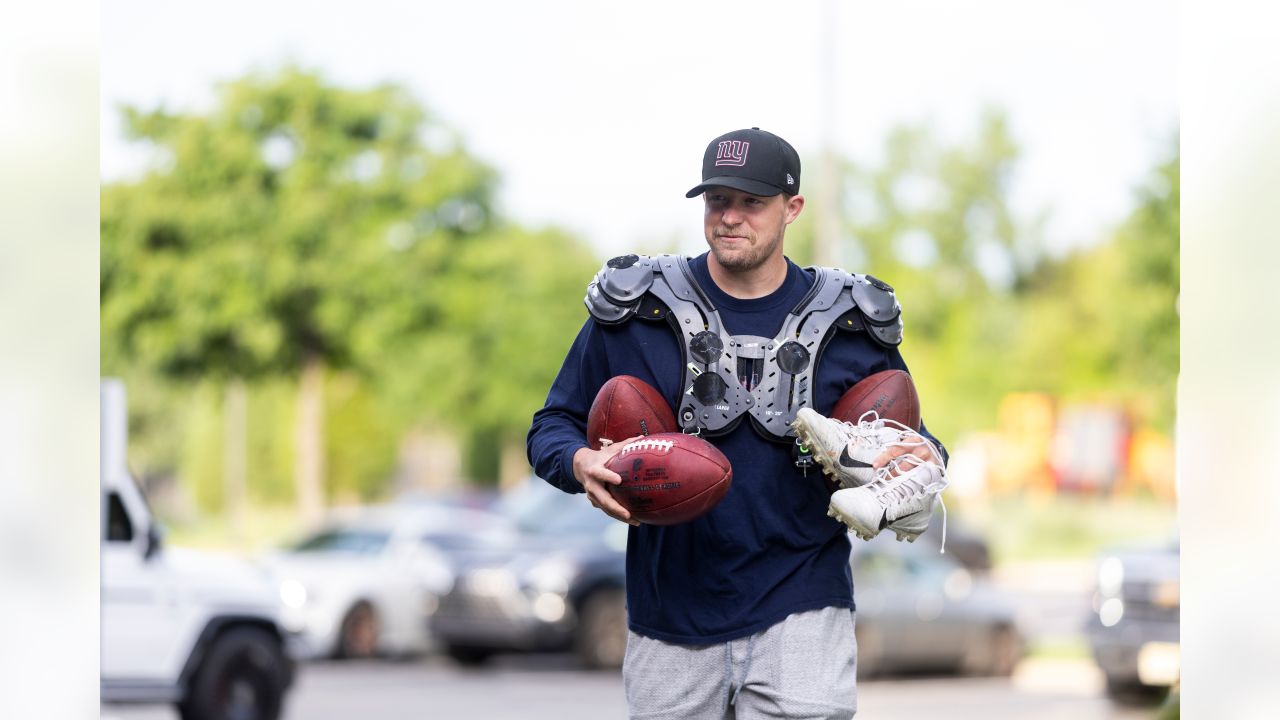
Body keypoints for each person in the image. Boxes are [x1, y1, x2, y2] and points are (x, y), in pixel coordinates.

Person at [527, 127, 948, 719]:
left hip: (803, 605)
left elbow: (916, 444)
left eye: (751, 202)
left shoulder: (851, 322)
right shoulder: (636, 310)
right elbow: (551, 426)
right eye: (717, 200)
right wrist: (580, 462)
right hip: (670, 612)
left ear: (792, 207)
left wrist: (907, 471)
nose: (730, 217)